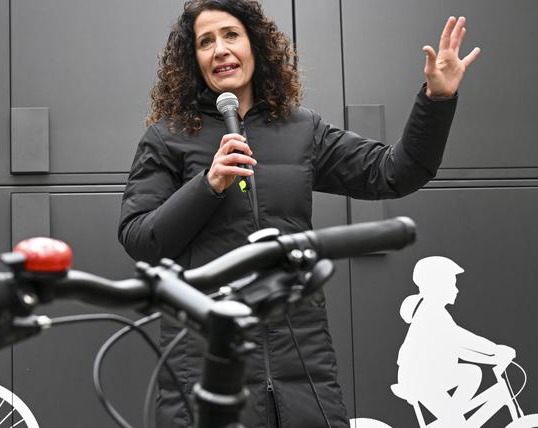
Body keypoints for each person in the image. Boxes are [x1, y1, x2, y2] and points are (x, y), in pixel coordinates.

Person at [117, 0, 480, 426]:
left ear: (255, 44)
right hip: (208, 365)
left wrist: (437, 100)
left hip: (302, 365)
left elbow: (394, 172)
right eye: (205, 42)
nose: (220, 50)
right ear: (192, 59)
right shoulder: (168, 137)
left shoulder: (301, 128)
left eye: (231, 35)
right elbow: (140, 237)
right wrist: (208, 184)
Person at [395, 257, 515, 427]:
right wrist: (494, 349)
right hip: (420, 380)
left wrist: (493, 359)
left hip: (429, 376)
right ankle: (453, 420)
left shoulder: (436, 312)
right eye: (452, 284)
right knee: (457, 422)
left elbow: (459, 350)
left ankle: (450, 418)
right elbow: (460, 338)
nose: (456, 290)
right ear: (436, 286)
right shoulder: (431, 314)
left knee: (472, 374)